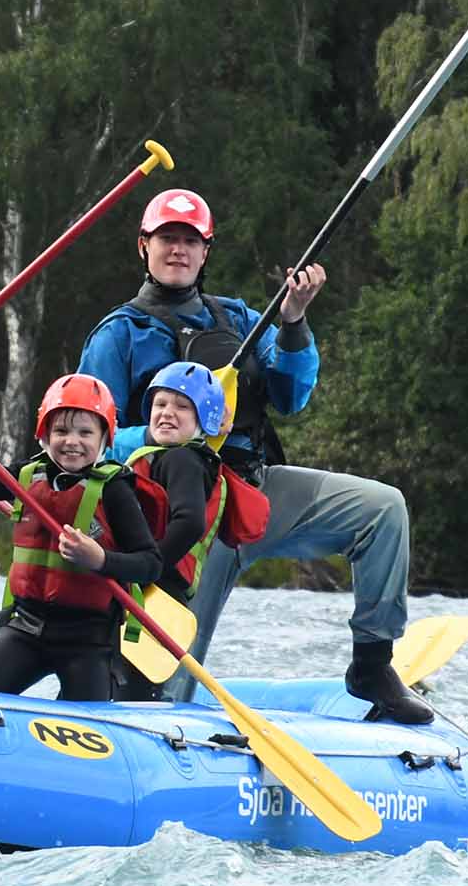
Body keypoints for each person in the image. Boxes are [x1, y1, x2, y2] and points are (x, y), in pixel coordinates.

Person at [78, 187, 432, 724]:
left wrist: (292, 320)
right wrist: (164, 440)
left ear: (205, 251)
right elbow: (91, 440)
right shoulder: (119, 333)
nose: (179, 251)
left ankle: (371, 662)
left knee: (383, 510)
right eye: (167, 239)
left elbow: (292, 396)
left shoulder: (243, 320)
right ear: (144, 246)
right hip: (181, 518)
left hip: (252, 492)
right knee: (167, 688)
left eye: (190, 241)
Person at [0, 374, 164, 701]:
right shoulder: (27, 475)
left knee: (90, 732)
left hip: (87, 639)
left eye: (86, 432)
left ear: (104, 437)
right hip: (25, 629)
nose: (72, 441)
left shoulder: (115, 491)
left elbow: (150, 564)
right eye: (61, 430)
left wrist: (100, 559)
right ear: (44, 435)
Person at [110, 361, 268, 701]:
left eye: (183, 406)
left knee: (127, 684)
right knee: (124, 681)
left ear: (202, 422)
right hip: (144, 588)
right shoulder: (159, 456)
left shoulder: (183, 461)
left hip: (157, 591)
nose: (168, 413)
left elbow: (190, 523)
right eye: (161, 404)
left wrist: (146, 567)